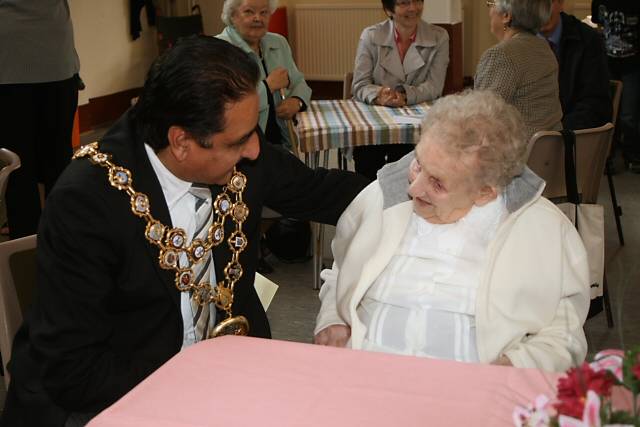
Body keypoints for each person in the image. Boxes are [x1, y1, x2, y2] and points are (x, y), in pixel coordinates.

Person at [1, 36, 368, 426]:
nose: (255, 151)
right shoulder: (87, 203)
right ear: (181, 142)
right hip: (104, 401)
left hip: (223, 377)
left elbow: (325, 192)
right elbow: (73, 370)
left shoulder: (237, 153)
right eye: (240, 141)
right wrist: (197, 392)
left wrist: (423, 176)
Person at [313, 90, 590, 373]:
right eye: (418, 163)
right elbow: (341, 269)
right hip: (363, 375)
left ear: (485, 192)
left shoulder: (543, 231)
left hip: (472, 393)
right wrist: (332, 318)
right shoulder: (383, 196)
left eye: (438, 184)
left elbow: (565, 334)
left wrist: (512, 367)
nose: (413, 188)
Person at [0, 0, 80, 239]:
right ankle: (63, 239)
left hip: (8, 60)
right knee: (58, 158)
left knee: (17, 167)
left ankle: (25, 244)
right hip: (55, 55)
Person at [351, 0, 450, 181]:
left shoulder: (439, 37)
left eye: (417, 1)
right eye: (404, 3)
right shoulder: (370, 36)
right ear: (389, 9)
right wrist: (379, 95)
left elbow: (435, 86)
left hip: (414, 128)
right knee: (367, 164)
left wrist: (405, 96)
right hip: (374, 124)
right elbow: (359, 84)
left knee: (408, 167)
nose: (413, 8)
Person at [217, 0, 311, 148]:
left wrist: (297, 101)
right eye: (249, 12)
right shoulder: (219, 50)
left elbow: (299, 82)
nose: (258, 18)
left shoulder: (279, 43)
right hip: (241, 147)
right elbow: (227, 107)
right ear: (233, 15)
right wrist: (268, 86)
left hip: (282, 142)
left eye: (264, 12)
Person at [475, 0, 562, 141]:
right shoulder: (544, 47)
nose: (489, 12)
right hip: (547, 156)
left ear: (506, 16)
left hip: (513, 156)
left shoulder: (501, 55)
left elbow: (481, 120)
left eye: (491, 4)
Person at [540, 0, 612, 131]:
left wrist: (557, 133)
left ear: (560, 3)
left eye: (547, 2)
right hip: (530, 138)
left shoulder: (588, 40)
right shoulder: (519, 42)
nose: (541, 10)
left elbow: (595, 103)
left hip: (573, 137)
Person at [591, 0, 640, 170]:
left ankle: (632, 155)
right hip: (608, 64)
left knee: (629, 115)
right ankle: (607, 155)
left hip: (633, 64)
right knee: (608, 111)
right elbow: (598, 23)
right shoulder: (600, 2)